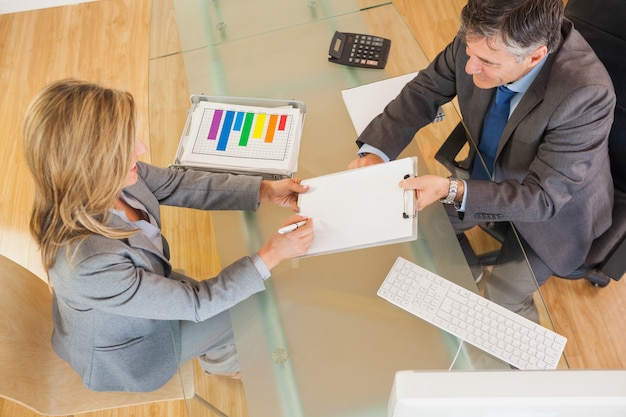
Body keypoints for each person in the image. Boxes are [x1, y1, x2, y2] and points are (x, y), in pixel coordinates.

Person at [22, 79, 314, 392]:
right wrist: (273, 253)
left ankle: (218, 354)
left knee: (239, 292)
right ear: (89, 161)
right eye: (125, 143)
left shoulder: (108, 178)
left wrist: (265, 190)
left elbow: (177, 184)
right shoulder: (88, 264)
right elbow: (197, 303)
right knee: (255, 306)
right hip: (132, 353)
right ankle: (225, 364)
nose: (142, 148)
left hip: (135, 303)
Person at [349, 0, 616, 321]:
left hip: (552, 214)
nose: (469, 67)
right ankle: (469, 275)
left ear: (534, 57)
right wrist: (374, 154)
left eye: (487, 62)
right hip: (488, 171)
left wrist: (453, 190)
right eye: (469, 52)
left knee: (501, 302)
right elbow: (424, 91)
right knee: (420, 227)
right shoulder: (484, 41)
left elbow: (543, 199)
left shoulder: (586, 93)